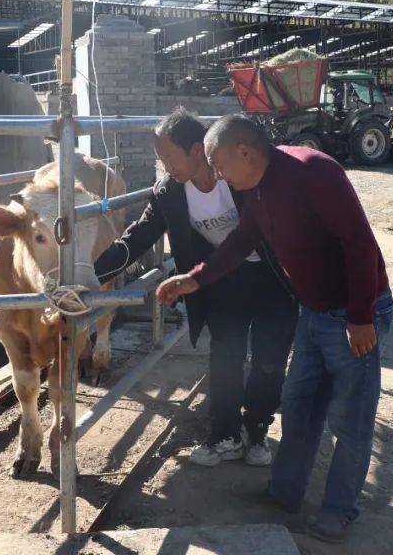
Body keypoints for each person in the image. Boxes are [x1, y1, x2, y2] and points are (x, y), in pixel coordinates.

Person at [157, 113, 393, 543]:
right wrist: (195, 278)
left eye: (221, 164)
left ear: (244, 152)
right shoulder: (258, 189)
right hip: (313, 312)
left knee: (350, 418)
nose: (219, 175)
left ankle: (338, 510)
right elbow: (238, 245)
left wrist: (360, 316)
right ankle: (285, 492)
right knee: (300, 405)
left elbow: (359, 242)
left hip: (352, 315)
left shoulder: (312, 171)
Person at [94, 107, 297, 468]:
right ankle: (225, 434)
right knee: (226, 356)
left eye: (168, 157)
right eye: (160, 159)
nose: (164, 165)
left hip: (271, 278)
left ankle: (258, 429)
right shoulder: (170, 192)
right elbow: (139, 235)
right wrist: (92, 273)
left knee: (269, 360)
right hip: (221, 279)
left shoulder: (239, 176)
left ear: (196, 150)